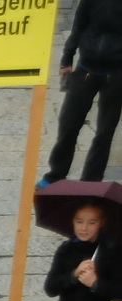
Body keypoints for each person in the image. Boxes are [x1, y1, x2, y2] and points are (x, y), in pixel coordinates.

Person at [43, 0, 122, 185]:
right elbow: (78, 25)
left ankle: (91, 181)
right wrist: (66, 59)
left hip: (117, 73)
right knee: (68, 125)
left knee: (105, 132)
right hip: (86, 67)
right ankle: (55, 175)